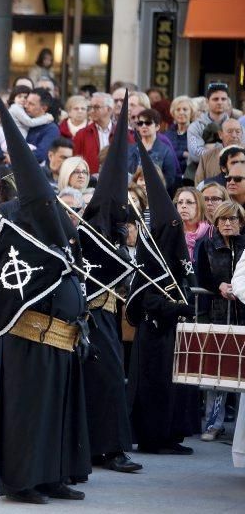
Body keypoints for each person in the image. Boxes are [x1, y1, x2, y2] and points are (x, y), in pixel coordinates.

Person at [0, 89, 90, 504]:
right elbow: (8, 278)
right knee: (31, 415)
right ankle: (23, 480)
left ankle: (53, 475)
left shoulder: (57, 225)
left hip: (63, 338)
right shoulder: (16, 226)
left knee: (58, 414)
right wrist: (53, 267)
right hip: (30, 340)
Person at [76, 97, 142, 474]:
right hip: (92, 313)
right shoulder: (93, 229)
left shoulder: (117, 229)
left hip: (109, 314)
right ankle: (104, 448)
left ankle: (109, 445)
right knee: (103, 379)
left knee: (111, 380)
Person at [126, 138, 199, 456]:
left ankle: (170, 434)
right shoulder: (150, 255)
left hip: (173, 331)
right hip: (154, 332)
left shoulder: (174, 253)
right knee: (155, 384)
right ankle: (153, 437)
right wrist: (175, 307)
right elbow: (145, 296)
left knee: (175, 385)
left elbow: (185, 277)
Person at [196, 202, 245, 441]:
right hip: (218, 313)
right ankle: (213, 423)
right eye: (223, 219)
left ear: (240, 222)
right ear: (216, 223)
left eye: (232, 219)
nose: (227, 223)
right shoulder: (206, 245)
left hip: (242, 312)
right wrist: (218, 286)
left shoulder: (244, 245)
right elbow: (200, 275)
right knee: (219, 371)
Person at [128, 108, 179, 192]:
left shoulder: (165, 151)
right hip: (133, 195)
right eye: (140, 123)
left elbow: (169, 179)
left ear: (157, 127)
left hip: (156, 195)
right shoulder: (130, 150)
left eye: (148, 123)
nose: (144, 126)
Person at [188, 82, 231, 166]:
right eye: (215, 99)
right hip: (202, 175)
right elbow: (196, 155)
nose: (220, 102)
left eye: (223, 99)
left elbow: (241, 153)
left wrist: (211, 147)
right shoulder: (195, 127)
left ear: (228, 102)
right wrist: (226, 149)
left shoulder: (237, 126)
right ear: (207, 101)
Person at [73, 92, 116, 175]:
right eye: (90, 107)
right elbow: (75, 162)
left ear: (109, 109)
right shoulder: (82, 134)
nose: (92, 111)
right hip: (89, 182)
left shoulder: (122, 133)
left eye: (96, 107)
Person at [195, 121, 243, 185]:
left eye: (238, 132)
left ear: (242, 134)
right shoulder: (207, 156)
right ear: (220, 134)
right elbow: (199, 185)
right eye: (229, 131)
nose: (234, 135)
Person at [24, 89, 60, 166]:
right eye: (26, 102)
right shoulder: (23, 122)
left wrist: (14, 155)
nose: (26, 106)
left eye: (31, 104)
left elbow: (40, 155)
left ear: (44, 108)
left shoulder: (51, 129)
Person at [164, 96, 195, 183]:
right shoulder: (167, 134)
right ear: (173, 113)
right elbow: (166, 154)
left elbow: (195, 155)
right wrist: (183, 153)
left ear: (191, 112)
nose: (181, 112)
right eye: (178, 110)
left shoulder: (196, 133)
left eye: (185, 109)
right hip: (170, 178)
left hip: (190, 178)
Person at [174, 187, 210, 260]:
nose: (183, 206)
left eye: (189, 202)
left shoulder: (210, 232)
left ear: (199, 206)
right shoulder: (171, 232)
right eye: (180, 202)